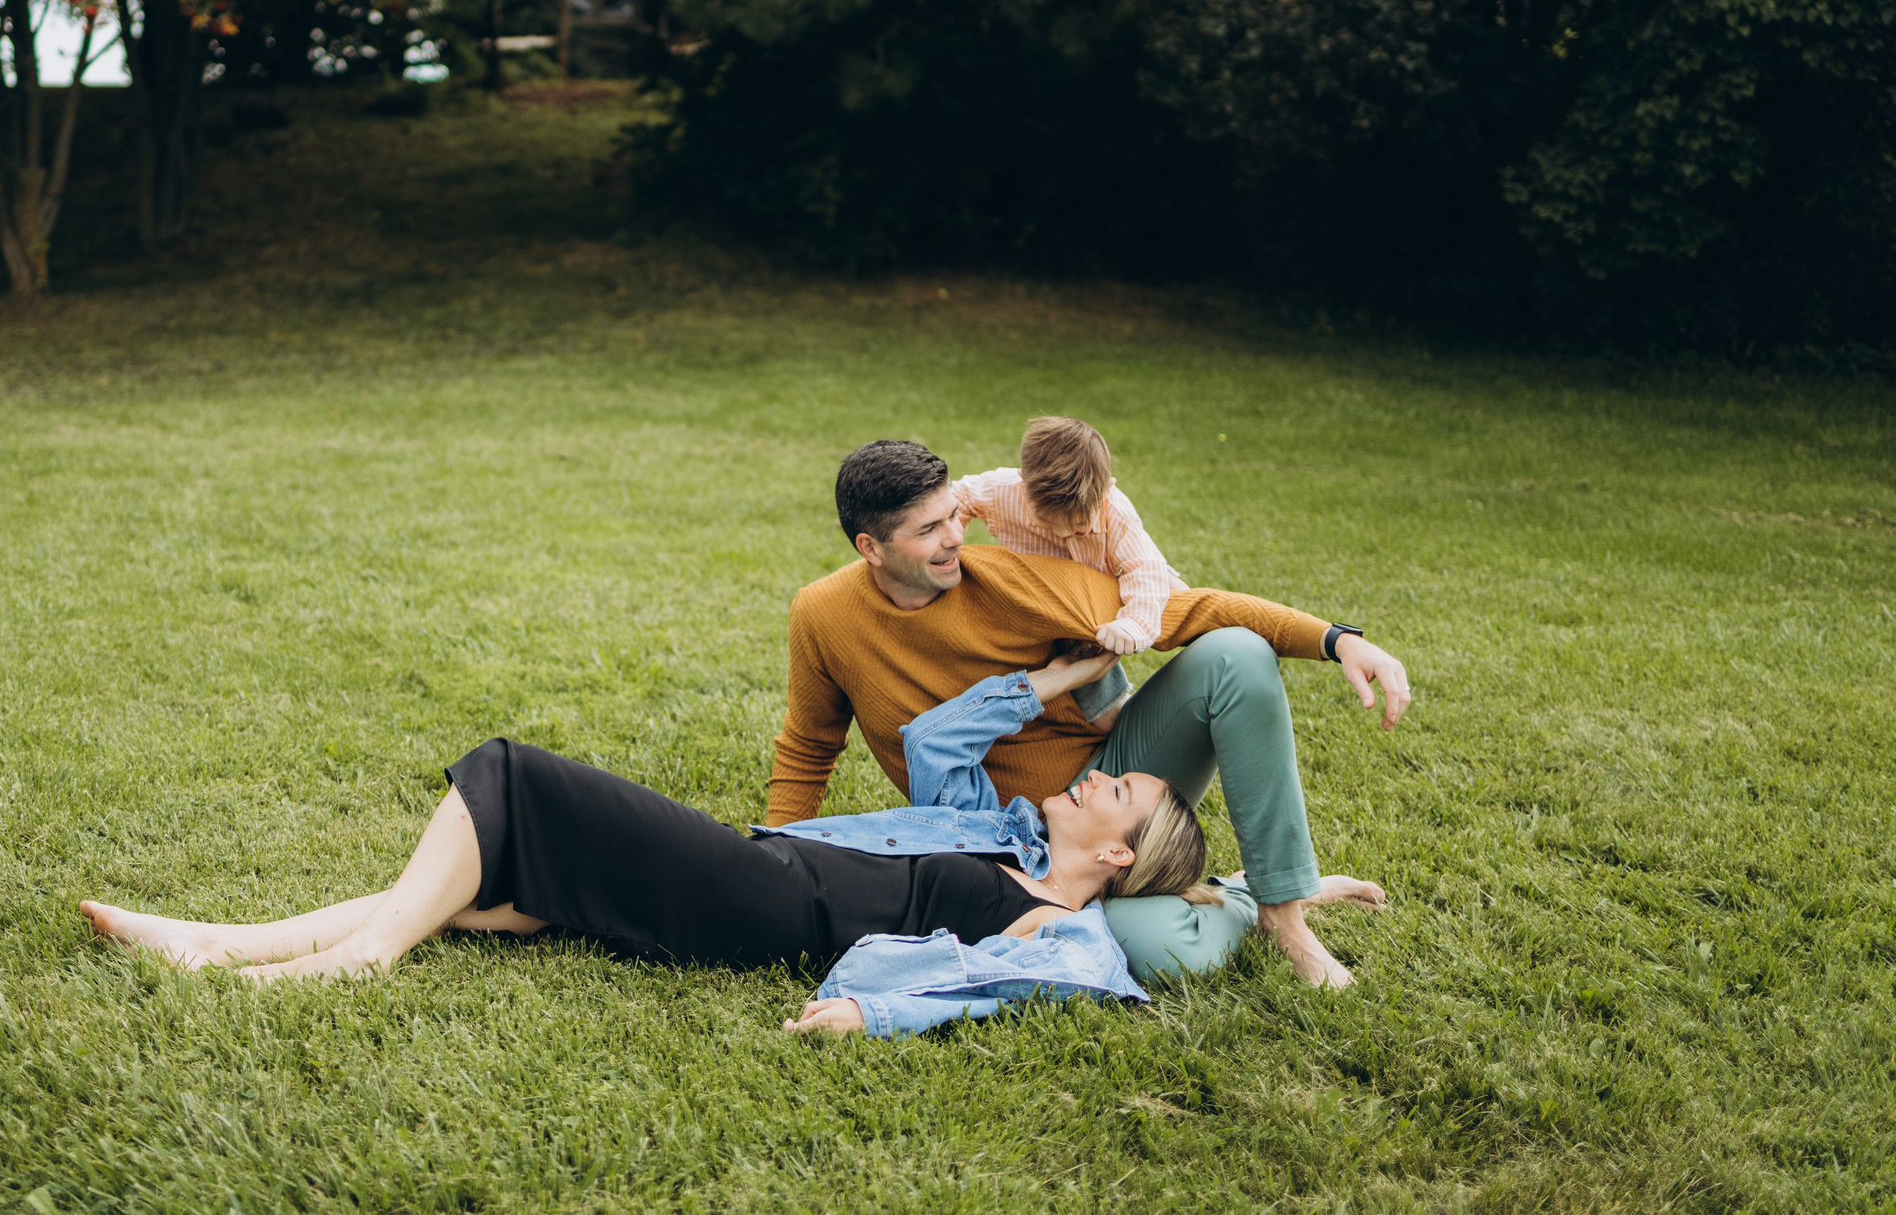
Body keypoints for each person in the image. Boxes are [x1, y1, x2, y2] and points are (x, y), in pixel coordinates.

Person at [81, 656, 1217, 1038]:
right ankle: (213, 945)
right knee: (485, 884)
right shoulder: (991, 827)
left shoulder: (1059, 928)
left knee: (514, 774)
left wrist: (873, 1012)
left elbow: (995, 988)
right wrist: (1067, 670)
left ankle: (358, 960)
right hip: (753, 869)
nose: (1092, 773)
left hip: (770, 903)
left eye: (1112, 789)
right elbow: (937, 732)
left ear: (1117, 858)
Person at [769, 440, 1412, 987]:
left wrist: (1337, 639)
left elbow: (1187, 611)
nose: (956, 539)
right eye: (929, 530)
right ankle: (1237, 894)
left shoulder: (1008, 580)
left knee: (1235, 656)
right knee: (1166, 950)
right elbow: (809, 743)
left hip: (1111, 783)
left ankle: (1283, 911)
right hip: (999, 848)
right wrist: (782, 861)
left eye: (954, 516)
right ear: (871, 547)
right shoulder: (823, 615)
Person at [952, 415, 1186, 657]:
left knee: (1174, 593)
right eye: (1047, 521)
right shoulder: (1003, 490)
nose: (1064, 533)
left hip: (1101, 586)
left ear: (1107, 490)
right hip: (1042, 592)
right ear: (1023, 483)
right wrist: (949, 541)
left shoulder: (1115, 511)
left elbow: (1142, 569)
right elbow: (961, 495)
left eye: (1080, 524)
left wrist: (1133, 624)